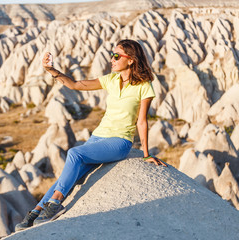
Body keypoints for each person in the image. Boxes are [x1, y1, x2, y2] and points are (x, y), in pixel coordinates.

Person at [15, 39, 167, 231]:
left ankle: (54, 204)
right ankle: (36, 211)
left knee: (74, 154)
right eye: (112, 55)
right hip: (97, 138)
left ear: (131, 60)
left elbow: (142, 121)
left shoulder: (144, 86)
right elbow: (76, 85)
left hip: (120, 142)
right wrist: (52, 70)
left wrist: (146, 154)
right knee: (70, 174)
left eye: (116, 56)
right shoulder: (111, 80)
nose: (112, 59)